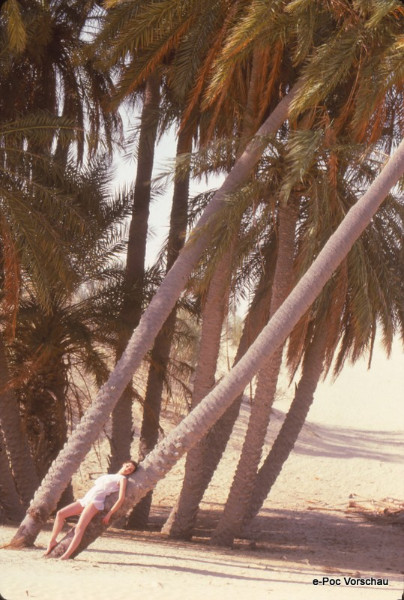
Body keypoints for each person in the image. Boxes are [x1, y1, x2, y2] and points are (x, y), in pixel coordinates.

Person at [44, 460, 137, 560]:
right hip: (85, 500)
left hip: (95, 502)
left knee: (79, 528)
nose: (128, 469)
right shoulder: (110, 475)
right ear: (124, 464)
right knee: (60, 514)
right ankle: (52, 541)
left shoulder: (122, 479)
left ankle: (66, 555)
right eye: (128, 466)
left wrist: (110, 513)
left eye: (130, 470)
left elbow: (121, 499)